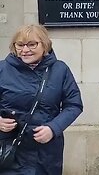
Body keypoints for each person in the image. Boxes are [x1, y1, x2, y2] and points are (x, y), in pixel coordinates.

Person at [0, 24, 83, 174]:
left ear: (44, 45)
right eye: (20, 45)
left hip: (45, 151)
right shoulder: (2, 69)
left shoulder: (60, 70)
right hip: (9, 149)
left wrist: (54, 128)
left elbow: (74, 104)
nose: (25, 50)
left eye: (32, 44)